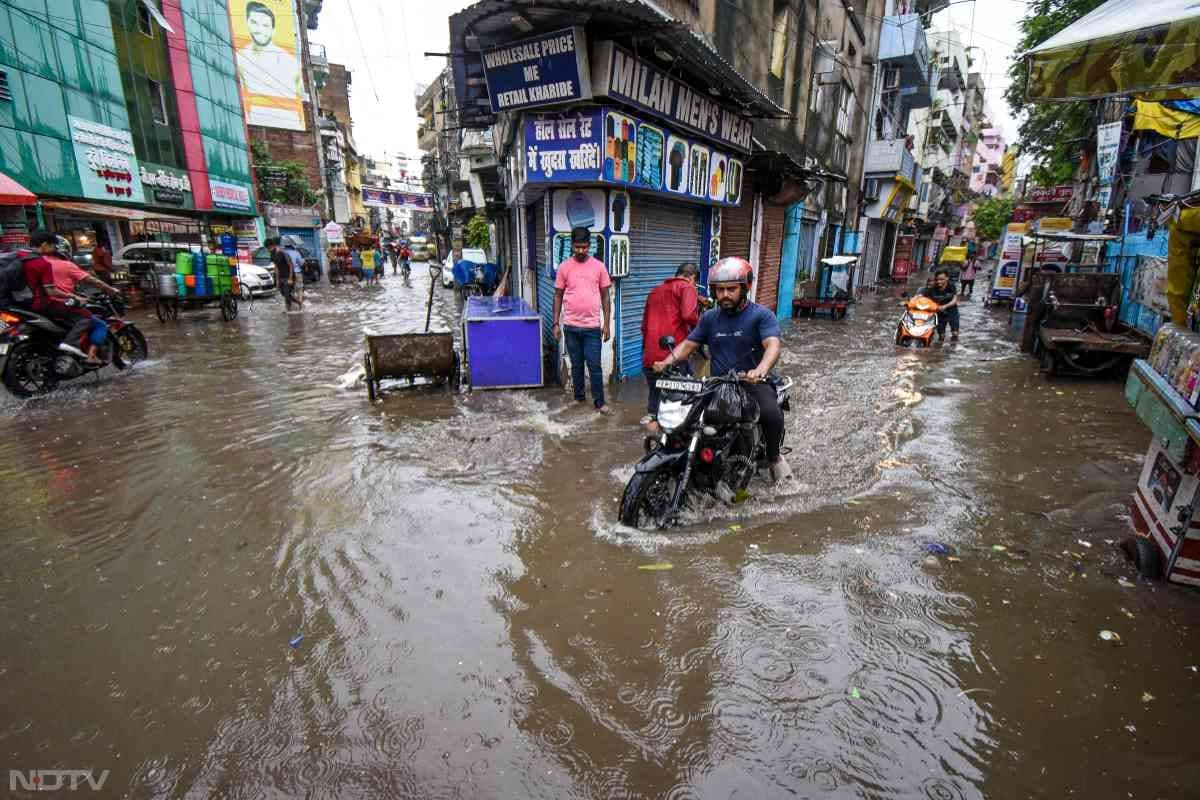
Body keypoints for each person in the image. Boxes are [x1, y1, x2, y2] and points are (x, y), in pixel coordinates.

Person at [652, 257, 793, 484]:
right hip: (718, 384)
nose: (724, 295)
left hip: (751, 383)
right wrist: (666, 362)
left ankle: (775, 458)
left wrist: (760, 370)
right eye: (720, 290)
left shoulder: (761, 315)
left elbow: (773, 346)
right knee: (689, 420)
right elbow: (688, 345)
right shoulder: (709, 318)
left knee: (770, 413)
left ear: (745, 288)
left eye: (731, 289)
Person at [551, 226, 612, 414]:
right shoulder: (564, 267)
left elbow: (606, 297)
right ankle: (579, 398)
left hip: (592, 327)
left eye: (584, 247)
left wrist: (607, 324)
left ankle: (600, 403)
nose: (580, 251)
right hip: (570, 326)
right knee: (576, 365)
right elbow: (558, 296)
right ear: (572, 245)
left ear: (589, 245)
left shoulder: (599, 267)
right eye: (577, 247)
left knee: (594, 365)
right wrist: (555, 323)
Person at [22, 231, 106, 362]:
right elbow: (51, 291)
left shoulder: (23, 259)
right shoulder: (44, 264)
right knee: (87, 317)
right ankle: (77, 347)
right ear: (45, 245)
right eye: (52, 245)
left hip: (27, 304)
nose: (54, 248)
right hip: (48, 303)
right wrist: (74, 296)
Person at [640, 262, 701, 426]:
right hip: (672, 354)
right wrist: (701, 325)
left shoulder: (654, 291)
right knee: (680, 399)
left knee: (655, 395)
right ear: (692, 278)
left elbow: (643, 327)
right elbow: (688, 315)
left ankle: (652, 418)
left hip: (650, 355)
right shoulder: (687, 288)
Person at [236, 2, 303, 129]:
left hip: (290, 123)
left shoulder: (290, 62)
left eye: (265, 25)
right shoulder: (239, 58)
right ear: (247, 23)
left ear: (273, 29)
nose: (259, 30)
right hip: (252, 122)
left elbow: (299, 98)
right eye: (254, 23)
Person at [919, 269, 960, 342]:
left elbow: (955, 300)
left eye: (941, 279)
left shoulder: (951, 286)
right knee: (941, 335)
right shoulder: (932, 288)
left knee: (955, 333)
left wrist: (945, 306)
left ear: (947, 278)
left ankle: (952, 349)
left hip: (952, 311)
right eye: (937, 279)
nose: (939, 282)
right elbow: (921, 296)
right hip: (939, 313)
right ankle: (939, 348)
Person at [268, 238, 294, 311]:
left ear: (273, 245)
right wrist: (277, 280)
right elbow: (276, 267)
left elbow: (291, 265)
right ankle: (298, 302)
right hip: (281, 277)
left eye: (270, 248)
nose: (269, 250)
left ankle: (288, 310)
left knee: (286, 294)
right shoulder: (272, 255)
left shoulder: (283, 253)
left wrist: (290, 278)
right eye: (268, 249)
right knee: (284, 294)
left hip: (288, 276)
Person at [283, 240, 304, 309]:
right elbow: (301, 263)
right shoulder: (296, 253)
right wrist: (303, 261)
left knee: (287, 292)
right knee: (299, 289)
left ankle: (288, 308)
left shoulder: (282, 253)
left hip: (286, 275)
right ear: (292, 246)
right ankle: (300, 306)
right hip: (297, 273)